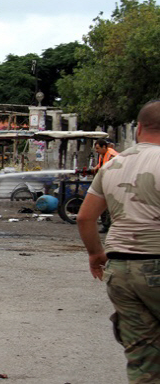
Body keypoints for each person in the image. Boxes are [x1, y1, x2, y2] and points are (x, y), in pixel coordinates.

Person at [77, 100, 160, 383]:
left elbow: (85, 218)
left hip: (120, 269)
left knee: (142, 358)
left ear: (138, 129)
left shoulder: (112, 165)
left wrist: (95, 254)